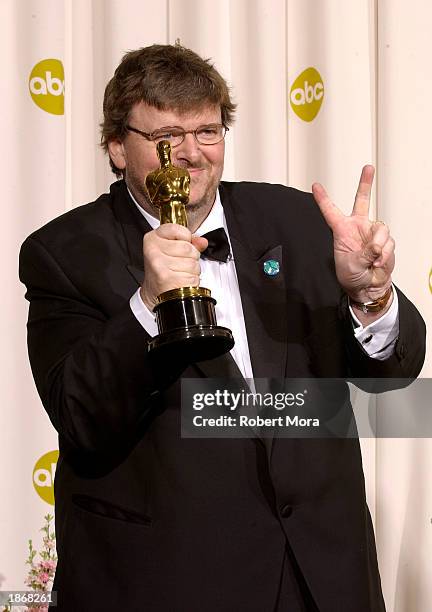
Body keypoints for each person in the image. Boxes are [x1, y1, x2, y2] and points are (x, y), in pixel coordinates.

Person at [20, 44, 425, 612]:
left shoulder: (300, 222)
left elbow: (394, 375)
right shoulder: (63, 253)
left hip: (322, 578)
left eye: (207, 132)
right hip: (171, 579)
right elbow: (79, 414)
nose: (190, 154)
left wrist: (371, 294)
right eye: (166, 137)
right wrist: (147, 304)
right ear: (117, 146)